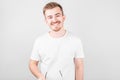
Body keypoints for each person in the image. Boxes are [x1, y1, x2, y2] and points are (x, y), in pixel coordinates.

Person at [29, 2, 84, 80]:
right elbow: (32, 64)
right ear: (46, 21)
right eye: (50, 17)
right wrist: (40, 76)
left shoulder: (76, 40)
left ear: (63, 17)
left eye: (57, 15)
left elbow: (79, 66)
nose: (54, 20)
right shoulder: (39, 41)